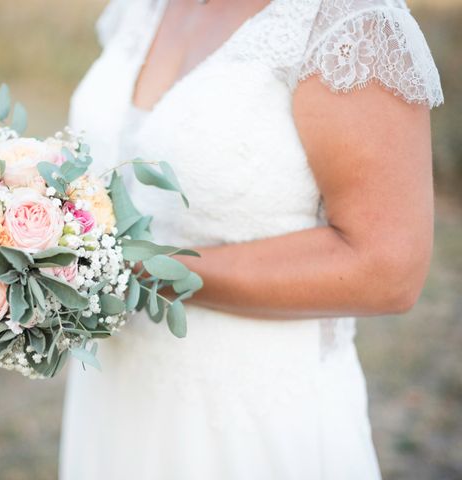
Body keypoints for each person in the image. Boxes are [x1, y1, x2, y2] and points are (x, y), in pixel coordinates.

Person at [60, 0, 443, 478]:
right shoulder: (141, 7)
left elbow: (386, 269)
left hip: (251, 415)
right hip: (112, 394)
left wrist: (138, 268)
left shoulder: (351, 26)